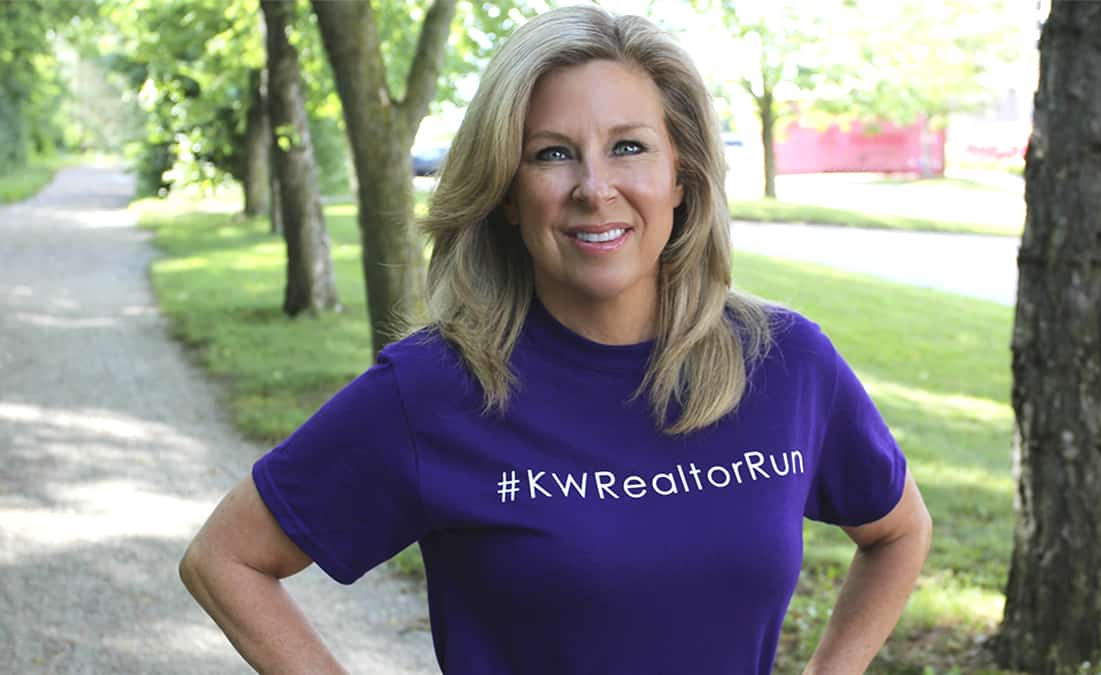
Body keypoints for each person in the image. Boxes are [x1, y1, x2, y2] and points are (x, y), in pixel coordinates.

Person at [179, 5, 932, 674]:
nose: (595, 188)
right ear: (508, 193)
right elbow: (227, 559)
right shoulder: (434, 389)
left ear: (682, 176)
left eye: (629, 147)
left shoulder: (786, 364)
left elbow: (899, 531)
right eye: (552, 153)